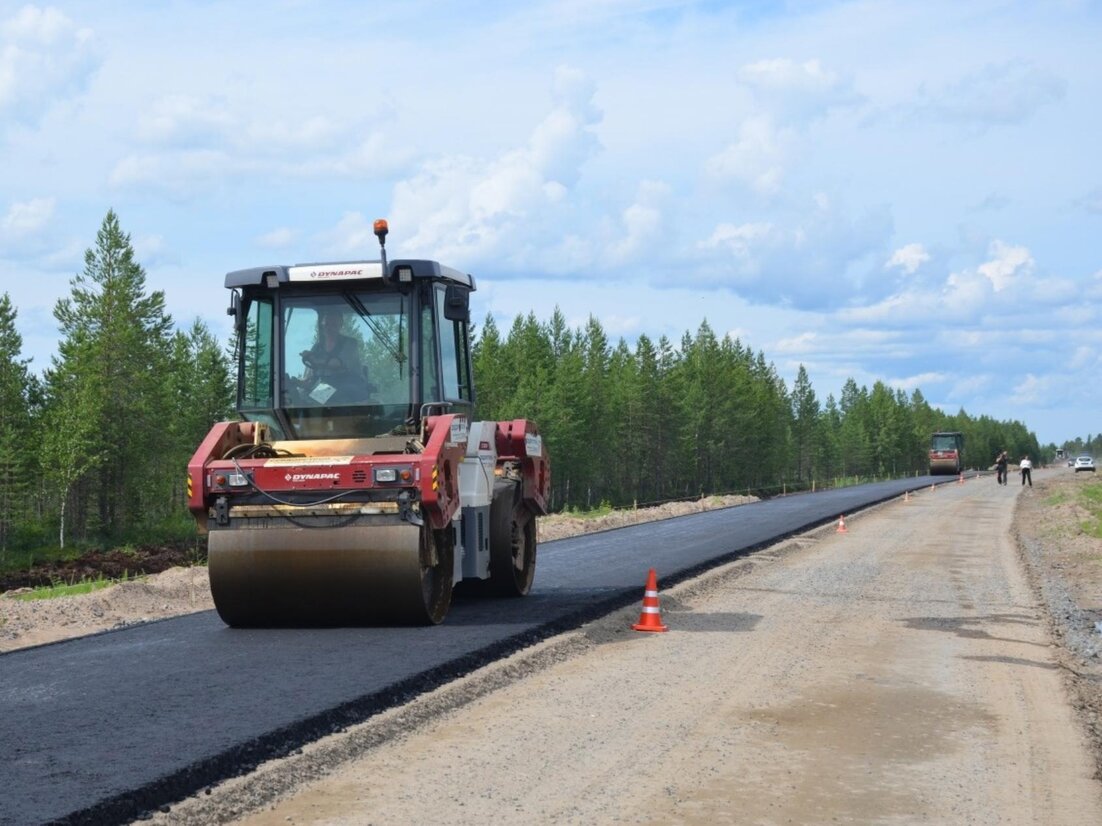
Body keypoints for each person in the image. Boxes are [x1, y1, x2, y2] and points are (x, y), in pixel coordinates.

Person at [298, 308, 363, 403]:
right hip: (322, 387)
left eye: (334, 325)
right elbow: (309, 378)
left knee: (314, 401)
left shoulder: (350, 344)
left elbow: (336, 364)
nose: (330, 328)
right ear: (322, 326)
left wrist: (314, 360)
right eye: (327, 325)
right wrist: (297, 383)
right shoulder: (317, 347)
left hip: (346, 388)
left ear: (340, 326)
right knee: (299, 399)